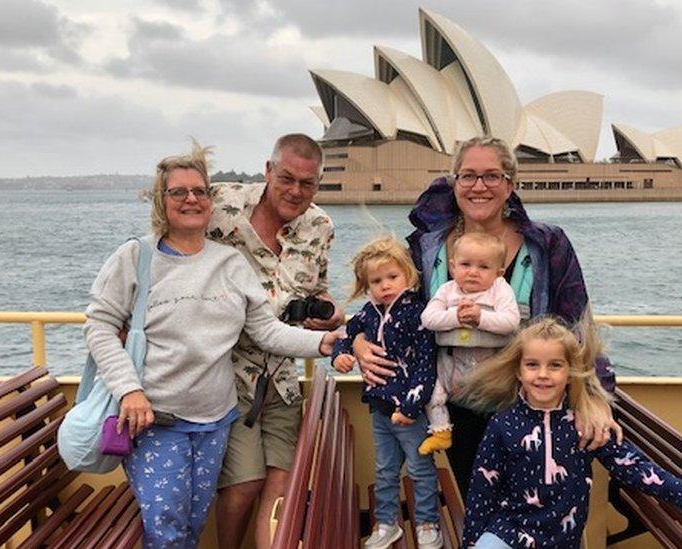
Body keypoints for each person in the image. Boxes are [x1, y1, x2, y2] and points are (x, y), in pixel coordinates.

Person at [84, 142, 340, 549]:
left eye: (200, 191)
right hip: (155, 419)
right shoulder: (136, 256)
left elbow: (267, 331)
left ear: (211, 199)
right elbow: (99, 325)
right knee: (166, 527)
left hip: (215, 421)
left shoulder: (229, 262)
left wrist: (329, 341)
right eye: (178, 192)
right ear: (159, 199)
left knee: (191, 525)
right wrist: (129, 389)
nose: (191, 199)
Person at [354, 136, 620, 498]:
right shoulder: (427, 247)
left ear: (510, 185)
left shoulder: (547, 244)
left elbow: (579, 328)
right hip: (459, 408)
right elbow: (391, 310)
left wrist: (598, 398)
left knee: (537, 513)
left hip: (533, 407)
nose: (479, 187)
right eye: (468, 176)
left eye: (492, 176)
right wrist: (357, 342)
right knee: (480, 512)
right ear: (454, 183)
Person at [460, 317, 682, 548]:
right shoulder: (502, 424)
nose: (542, 375)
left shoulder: (584, 424)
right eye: (532, 365)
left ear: (571, 373)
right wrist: (471, 542)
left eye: (555, 366)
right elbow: (482, 490)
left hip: (560, 541)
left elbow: (630, 465)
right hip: (510, 533)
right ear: (519, 371)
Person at [206, 133, 344, 549]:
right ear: (268, 171)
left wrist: (329, 313)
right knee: (245, 485)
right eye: (286, 178)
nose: (295, 191)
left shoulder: (320, 226)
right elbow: (169, 248)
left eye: (307, 183)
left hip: (281, 377)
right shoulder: (220, 206)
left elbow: (317, 290)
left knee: (280, 488)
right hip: (226, 378)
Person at [332, 236, 442, 549]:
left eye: (392, 277)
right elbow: (346, 336)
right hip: (379, 409)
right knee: (385, 470)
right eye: (376, 281)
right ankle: (387, 523)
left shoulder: (417, 315)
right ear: (367, 286)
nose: (385, 286)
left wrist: (410, 406)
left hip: (410, 413)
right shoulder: (368, 314)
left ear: (408, 275)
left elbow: (425, 366)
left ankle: (426, 523)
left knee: (421, 469)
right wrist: (341, 354)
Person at [417, 232, 520, 455]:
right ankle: (440, 432)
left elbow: (511, 322)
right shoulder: (446, 290)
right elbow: (428, 319)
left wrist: (480, 318)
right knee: (433, 395)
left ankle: (502, 436)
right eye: (465, 265)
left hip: (488, 369)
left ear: (498, 272)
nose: (473, 272)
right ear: (453, 267)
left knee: (502, 402)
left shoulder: (500, 290)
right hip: (450, 369)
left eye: (483, 267)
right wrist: (456, 317)